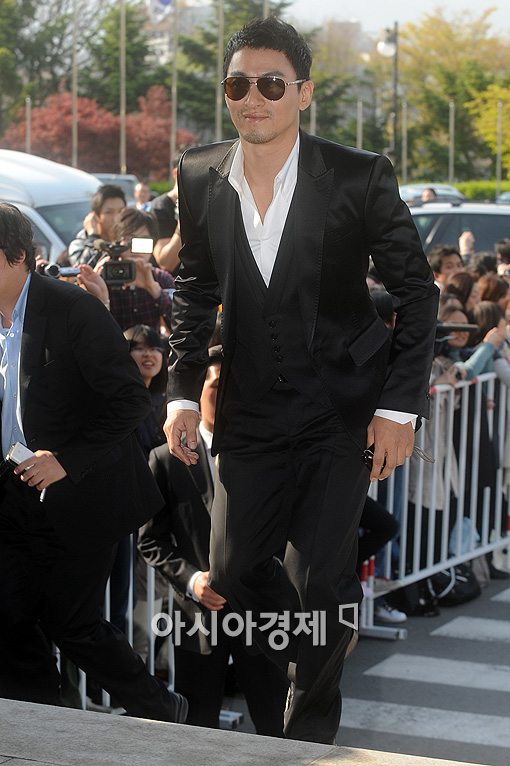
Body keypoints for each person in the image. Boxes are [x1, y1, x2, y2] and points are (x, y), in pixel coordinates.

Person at [164, 17, 438, 744]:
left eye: (271, 84)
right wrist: (183, 393)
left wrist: (398, 409)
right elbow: (194, 288)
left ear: (303, 93)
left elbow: (418, 293)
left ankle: (307, 738)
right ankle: (285, 681)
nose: (253, 98)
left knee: (320, 583)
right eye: (238, 84)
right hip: (249, 412)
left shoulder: (356, 174)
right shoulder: (199, 172)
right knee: (230, 574)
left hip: (338, 412)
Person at [0, 202, 187, 723]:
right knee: (8, 613)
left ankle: (162, 708)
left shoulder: (71, 309)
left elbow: (130, 400)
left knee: (71, 621)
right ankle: (38, 723)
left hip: (84, 489)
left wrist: (65, 460)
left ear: (17, 256)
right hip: (14, 489)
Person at [140, 345, 288, 733]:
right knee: (198, 725)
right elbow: (150, 540)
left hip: (262, 610)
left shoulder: (272, 453)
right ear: (196, 393)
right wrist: (192, 580)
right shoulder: (166, 459)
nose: (228, 396)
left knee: (276, 721)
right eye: (218, 385)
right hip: (197, 614)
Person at [68, 185, 126, 266]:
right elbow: (84, 269)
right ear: (96, 216)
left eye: (121, 211)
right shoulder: (79, 245)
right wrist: (93, 239)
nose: (116, 218)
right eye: (109, 212)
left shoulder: (129, 240)